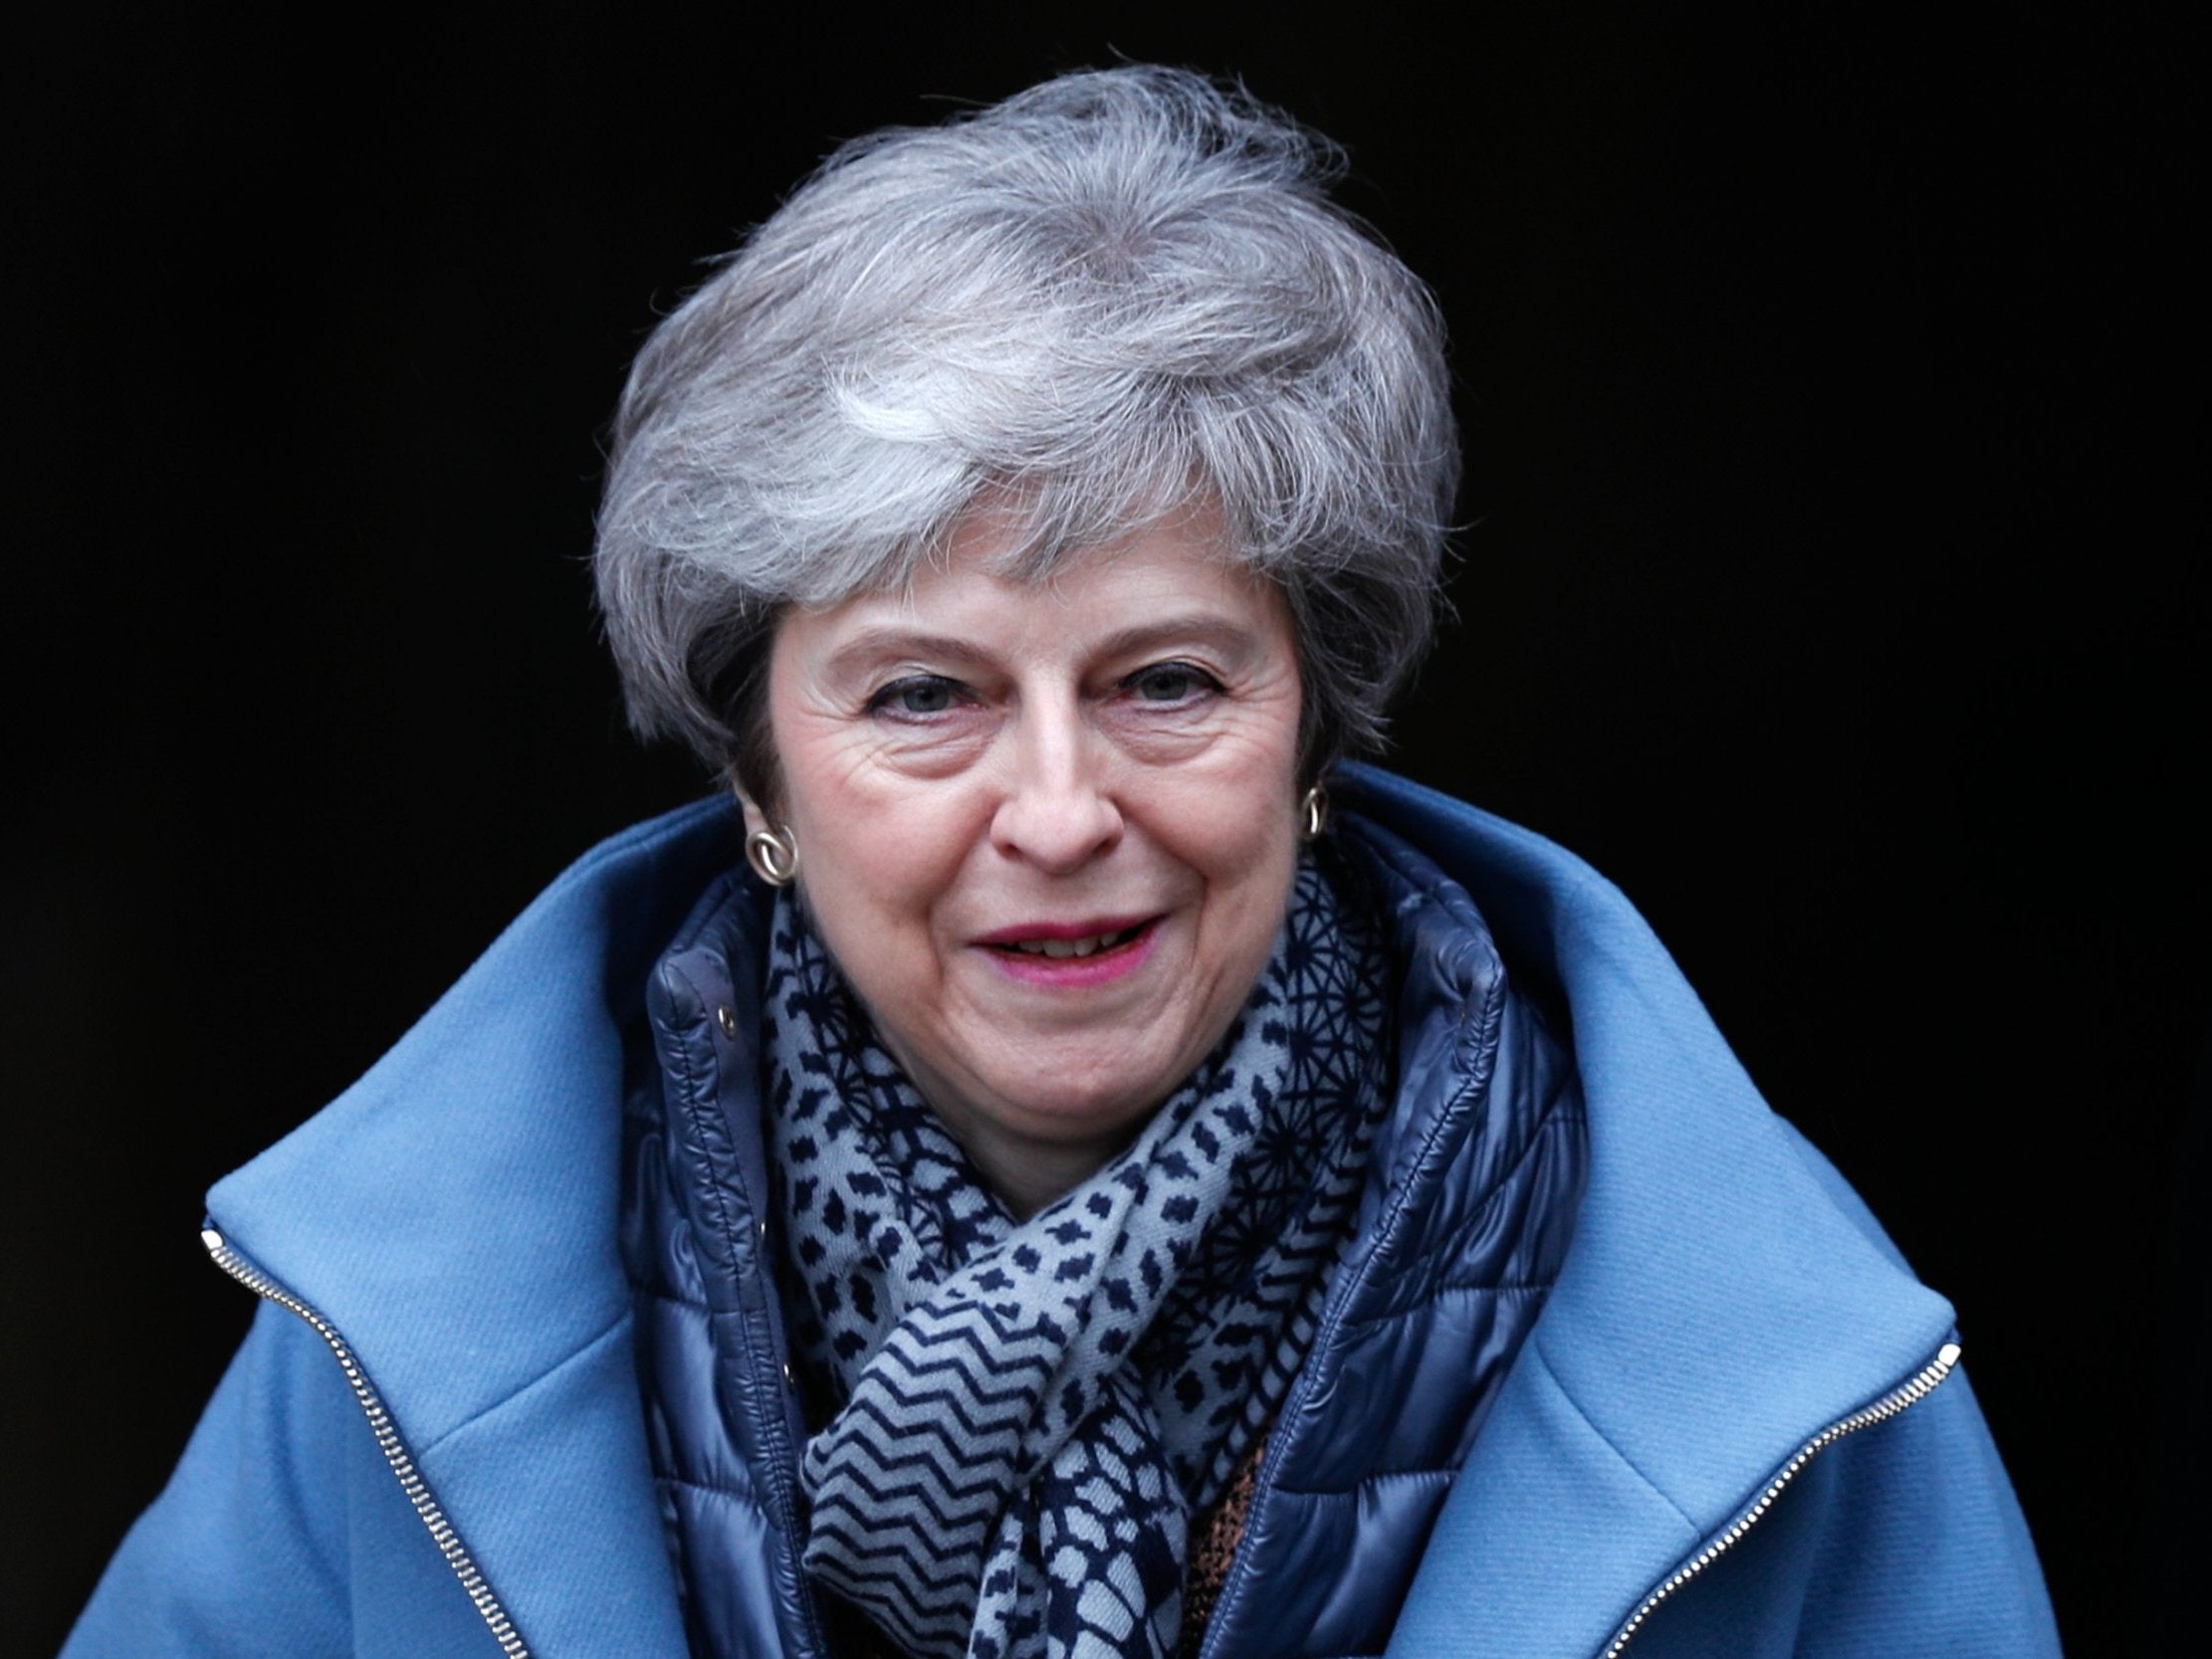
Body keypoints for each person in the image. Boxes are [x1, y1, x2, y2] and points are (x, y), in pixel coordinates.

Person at [65, 67, 2061, 1659]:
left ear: (1313, 728)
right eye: (922, 697)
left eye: (1164, 680)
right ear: (757, 774)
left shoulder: (1782, 1348)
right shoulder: (395, 1326)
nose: (1054, 812)